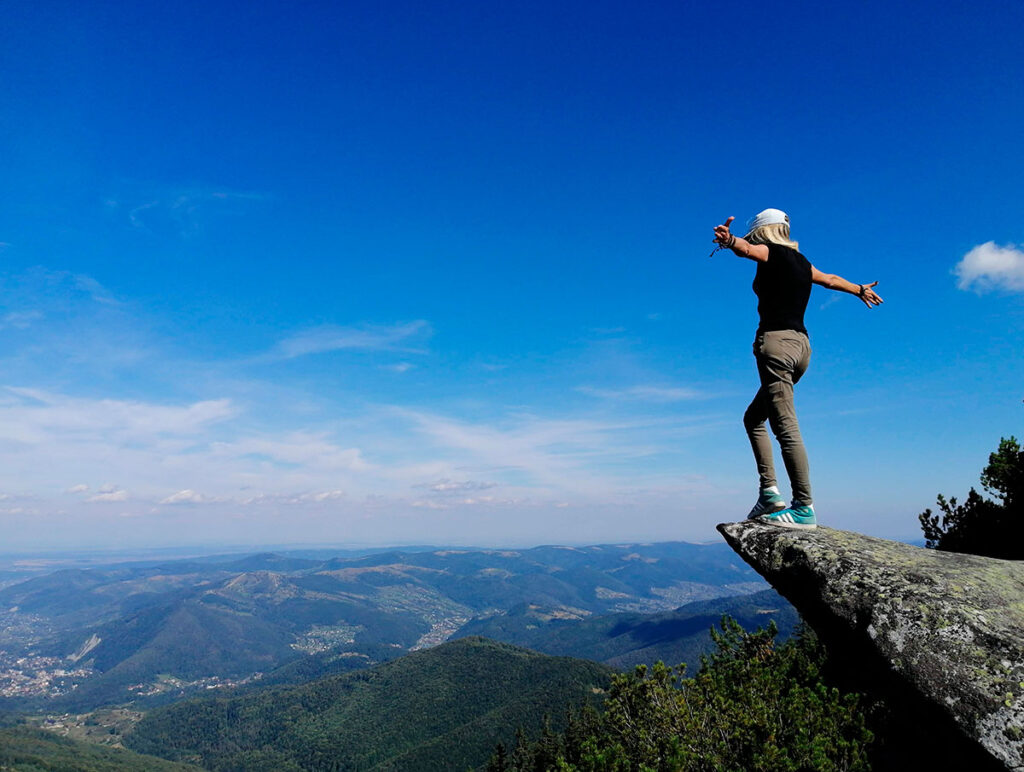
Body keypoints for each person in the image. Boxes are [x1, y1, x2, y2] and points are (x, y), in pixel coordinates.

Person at [712, 209, 883, 529]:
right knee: (754, 418)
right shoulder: (802, 263)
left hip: (776, 344)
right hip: (802, 347)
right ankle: (769, 494)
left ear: (762, 232)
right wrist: (859, 289)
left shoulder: (769, 252)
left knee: (784, 425)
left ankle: (803, 507)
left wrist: (731, 240)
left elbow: (747, 250)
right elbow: (830, 280)